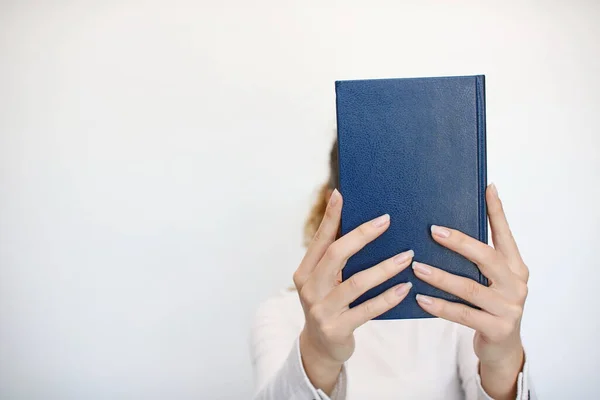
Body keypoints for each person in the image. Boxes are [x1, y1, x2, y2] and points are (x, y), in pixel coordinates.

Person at [250, 140, 535, 400]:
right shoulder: (281, 315)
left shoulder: (460, 307)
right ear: (332, 205)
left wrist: (504, 357)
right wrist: (317, 353)